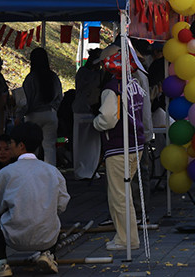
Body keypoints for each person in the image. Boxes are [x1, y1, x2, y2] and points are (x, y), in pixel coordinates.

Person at [0, 122, 67, 277]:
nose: (10, 147)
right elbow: (62, 204)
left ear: (20, 146)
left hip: (14, 235)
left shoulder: (6, 172)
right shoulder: (52, 171)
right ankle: (48, 255)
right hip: (46, 236)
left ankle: (0, 263)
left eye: (11, 144)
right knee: (51, 214)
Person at [93, 45, 147, 253]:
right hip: (136, 143)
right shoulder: (134, 84)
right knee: (125, 194)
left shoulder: (112, 88)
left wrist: (95, 123)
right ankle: (129, 237)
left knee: (118, 196)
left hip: (118, 146)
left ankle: (126, 239)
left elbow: (107, 118)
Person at [19, 48, 63, 165]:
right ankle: (50, 172)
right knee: (50, 146)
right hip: (50, 114)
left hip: (33, 115)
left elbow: (25, 100)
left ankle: (32, 170)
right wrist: (54, 108)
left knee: (32, 146)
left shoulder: (30, 78)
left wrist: (20, 116)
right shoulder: (53, 77)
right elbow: (59, 97)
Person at [72, 48, 104, 180]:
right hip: (85, 109)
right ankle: (84, 169)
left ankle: (89, 168)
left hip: (87, 110)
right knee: (85, 143)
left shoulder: (85, 72)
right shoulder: (88, 74)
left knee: (91, 144)